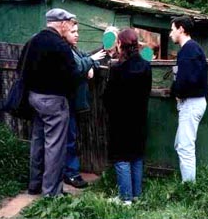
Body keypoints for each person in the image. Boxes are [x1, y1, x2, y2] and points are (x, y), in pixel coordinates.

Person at [24, 8, 78, 196]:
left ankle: (34, 185)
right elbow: (73, 75)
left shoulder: (33, 40)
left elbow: (22, 68)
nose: (70, 27)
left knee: (38, 142)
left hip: (34, 98)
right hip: (54, 101)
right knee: (55, 146)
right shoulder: (60, 45)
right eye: (70, 25)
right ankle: (52, 193)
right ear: (62, 24)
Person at [104, 28, 152, 205]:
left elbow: (108, 98)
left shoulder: (117, 69)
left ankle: (125, 199)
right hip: (139, 119)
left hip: (120, 121)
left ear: (120, 44)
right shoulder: (146, 66)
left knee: (122, 157)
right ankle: (136, 195)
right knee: (137, 156)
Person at [62, 22, 107, 188]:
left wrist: (90, 66)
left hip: (74, 102)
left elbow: (88, 60)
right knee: (69, 139)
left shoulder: (74, 49)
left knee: (71, 138)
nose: (77, 35)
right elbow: (77, 67)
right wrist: (88, 63)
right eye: (73, 32)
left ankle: (69, 171)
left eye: (78, 31)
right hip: (66, 102)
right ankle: (70, 173)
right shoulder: (65, 51)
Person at [169, 16, 208, 182]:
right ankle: (188, 184)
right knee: (180, 144)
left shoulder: (189, 51)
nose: (170, 33)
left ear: (181, 29)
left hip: (191, 103)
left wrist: (176, 92)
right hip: (192, 102)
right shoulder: (189, 50)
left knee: (185, 147)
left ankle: (189, 187)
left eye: (172, 29)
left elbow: (188, 80)